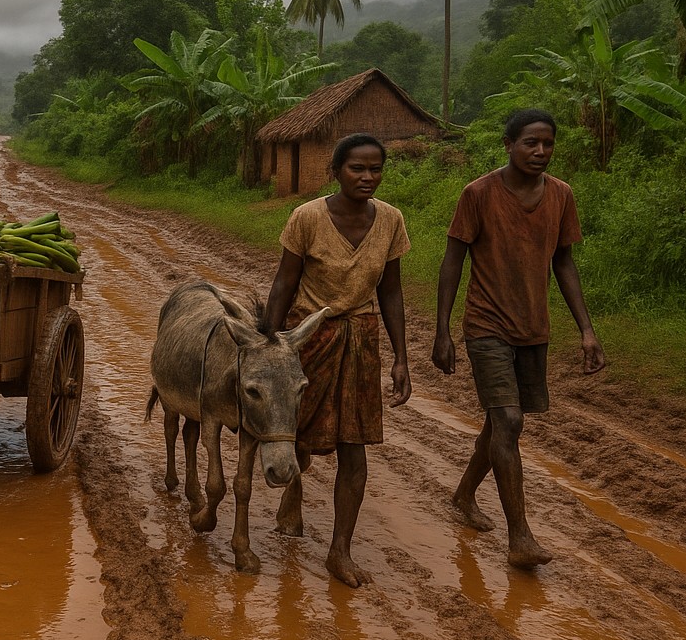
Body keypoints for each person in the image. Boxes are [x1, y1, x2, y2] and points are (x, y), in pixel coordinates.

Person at [433, 109, 605, 568]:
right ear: (508, 144)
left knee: (499, 423)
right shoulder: (478, 193)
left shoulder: (561, 196)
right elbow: (453, 261)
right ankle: (520, 537)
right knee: (509, 421)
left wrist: (587, 330)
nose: (541, 152)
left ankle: (465, 494)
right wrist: (442, 329)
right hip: (487, 325)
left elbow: (563, 263)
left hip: (534, 328)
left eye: (548, 143)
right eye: (531, 142)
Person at [259, 133, 411, 587]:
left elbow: (391, 291)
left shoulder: (390, 221)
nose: (367, 177)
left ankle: (339, 550)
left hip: (361, 338)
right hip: (309, 335)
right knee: (297, 429)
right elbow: (284, 283)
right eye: (357, 169)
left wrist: (402, 357)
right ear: (336, 171)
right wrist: (269, 344)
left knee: (354, 444)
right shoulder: (307, 217)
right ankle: (294, 488)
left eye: (375, 169)